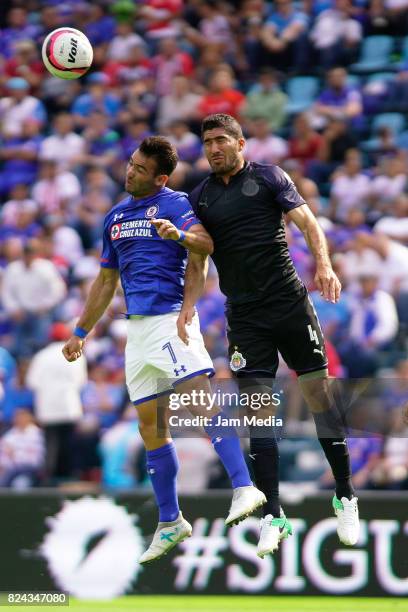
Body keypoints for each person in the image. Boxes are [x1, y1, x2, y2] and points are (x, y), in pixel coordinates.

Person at [62, 136, 265, 564]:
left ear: (161, 177)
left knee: (200, 404)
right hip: (136, 332)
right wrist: (81, 330)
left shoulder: (175, 204)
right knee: (150, 429)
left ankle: (245, 486)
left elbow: (206, 246)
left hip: (169, 321)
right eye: (130, 164)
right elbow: (104, 282)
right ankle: (171, 520)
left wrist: (180, 235)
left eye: (139, 168)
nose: (130, 171)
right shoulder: (115, 217)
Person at [185, 113, 360, 558]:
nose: (214, 148)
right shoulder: (200, 196)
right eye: (208, 142)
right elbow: (200, 255)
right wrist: (189, 303)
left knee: (320, 397)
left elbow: (307, 223)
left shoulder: (268, 178)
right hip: (245, 316)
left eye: (222, 139)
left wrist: (324, 265)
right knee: (259, 415)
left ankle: (345, 494)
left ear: (241, 144)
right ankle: (273, 515)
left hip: (288, 304)